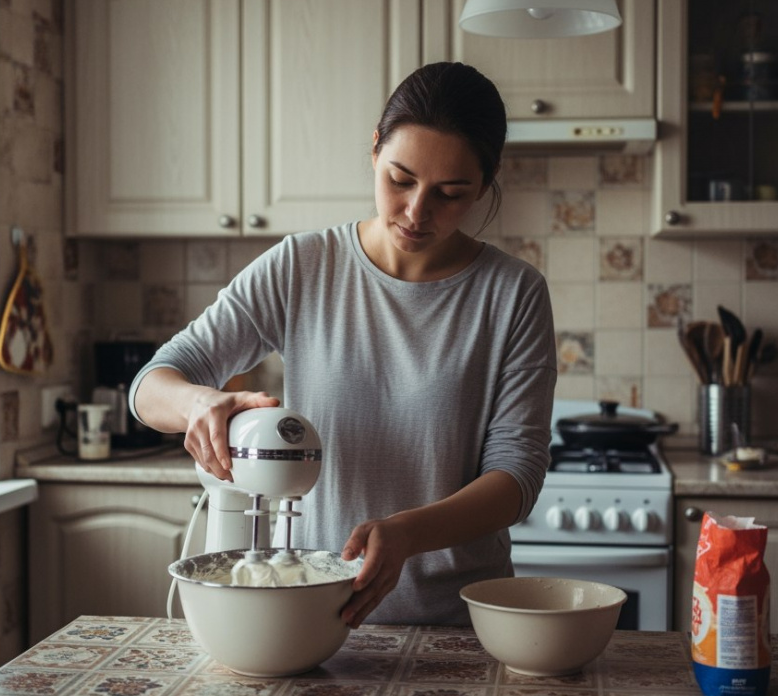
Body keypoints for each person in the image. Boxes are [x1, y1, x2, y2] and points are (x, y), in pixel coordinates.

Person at [129, 62, 557, 627]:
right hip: (313, 615)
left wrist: (408, 533)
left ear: (485, 182)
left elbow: (517, 476)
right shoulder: (302, 266)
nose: (416, 212)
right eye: (400, 179)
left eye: (450, 193)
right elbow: (151, 384)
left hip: (458, 626)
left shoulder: (513, 293)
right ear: (375, 149)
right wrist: (196, 403)